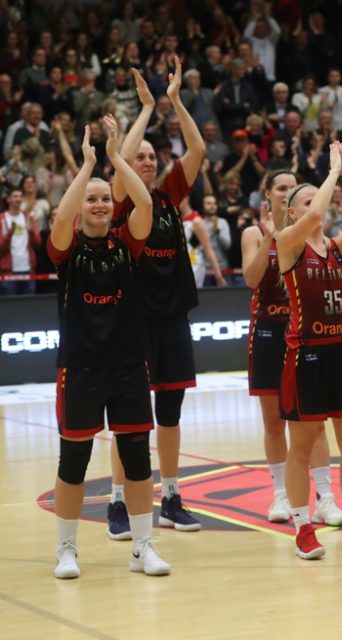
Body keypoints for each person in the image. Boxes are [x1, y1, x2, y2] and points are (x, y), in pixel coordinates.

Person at [51, 118, 170, 578]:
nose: (100, 204)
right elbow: (62, 217)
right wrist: (86, 166)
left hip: (127, 368)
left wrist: (117, 158)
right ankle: (66, 549)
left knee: (138, 460)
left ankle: (143, 547)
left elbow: (141, 199)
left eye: (105, 198)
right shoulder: (66, 247)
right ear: (82, 207)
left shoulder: (127, 242)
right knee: (74, 460)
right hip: (80, 369)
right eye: (92, 199)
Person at [106, 62, 206, 539]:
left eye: (151, 156)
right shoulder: (124, 203)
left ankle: (171, 496)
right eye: (139, 157)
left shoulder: (168, 196)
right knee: (131, 416)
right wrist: (146, 108)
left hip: (172, 320)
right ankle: (119, 501)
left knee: (170, 414)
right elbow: (121, 160)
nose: (146, 161)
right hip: (134, 322)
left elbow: (199, 148)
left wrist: (177, 100)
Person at [275, 141, 342, 559]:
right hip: (305, 356)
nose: (315, 204)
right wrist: (331, 172)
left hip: (340, 352)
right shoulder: (289, 243)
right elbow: (318, 212)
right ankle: (303, 528)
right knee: (301, 448)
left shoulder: (338, 248)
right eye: (304, 200)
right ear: (294, 212)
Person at [240, 169, 342, 527]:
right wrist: (270, 238)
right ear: (268, 194)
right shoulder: (254, 233)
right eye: (280, 188)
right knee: (274, 422)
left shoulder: (313, 235)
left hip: (305, 334)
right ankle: (280, 494)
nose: (287, 193)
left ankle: (326, 498)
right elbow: (252, 279)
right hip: (270, 330)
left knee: (314, 423)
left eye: (292, 188)